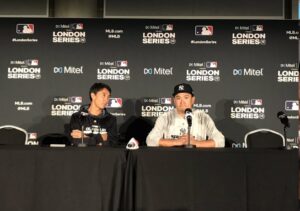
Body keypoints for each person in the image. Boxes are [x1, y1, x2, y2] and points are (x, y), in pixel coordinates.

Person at [146, 83, 225, 148]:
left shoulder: (203, 117)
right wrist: (176, 142)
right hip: (171, 160)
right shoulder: (165, 117)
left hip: (198, 160)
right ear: (174, 100)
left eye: (186, 97)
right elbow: (150, 140)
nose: (182, 102)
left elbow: (220, 141)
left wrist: (195, 143)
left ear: (193, 99)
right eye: (178, 98)